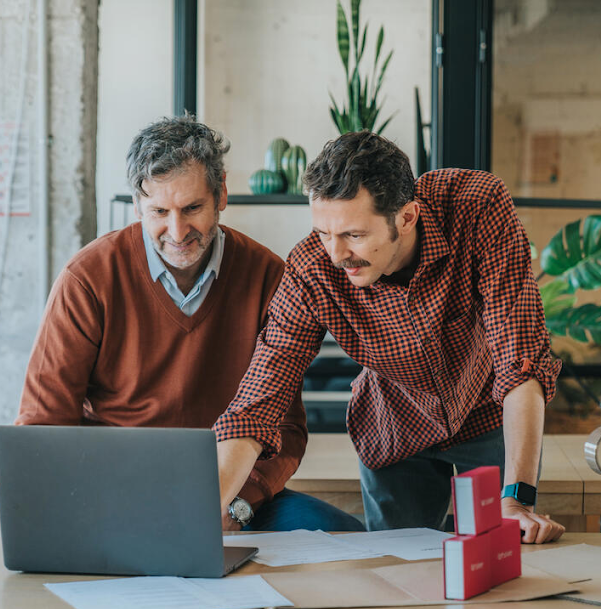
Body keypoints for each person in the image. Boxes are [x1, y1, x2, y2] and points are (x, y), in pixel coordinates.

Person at [16, 115, 363, 533]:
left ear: (221, 196)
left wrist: (239, 505)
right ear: (137, 204)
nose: (177, 231)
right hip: (114, 496)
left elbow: (286, 430)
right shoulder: (87, 279)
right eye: (159, 211)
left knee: (344, 538)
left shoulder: (269, 276)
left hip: (231, 497)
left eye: (193, 208)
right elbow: (43, 426)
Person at [214, 130, 565, 544]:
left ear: (407, 216)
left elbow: (519, 355)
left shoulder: (476, 206)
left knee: (500, 554)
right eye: (324, 233)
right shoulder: (312, 268)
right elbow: (260, 398)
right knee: (401, 571)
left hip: (489, 414)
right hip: (395, 426)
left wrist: (517, 499)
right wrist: (208, 511)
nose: (336, 254)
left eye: (354, 235)